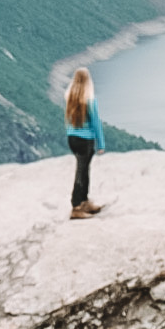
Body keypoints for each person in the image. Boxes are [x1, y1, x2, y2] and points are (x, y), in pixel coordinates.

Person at [64, 67, 107, 219]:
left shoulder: (70, 97)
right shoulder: (89, 100)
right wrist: (101, 144)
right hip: (86, 140)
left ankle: (84, 201)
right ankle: (76, 206)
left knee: (83, 170)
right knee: (82, 172)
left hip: (72, 138)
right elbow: (96, 123)